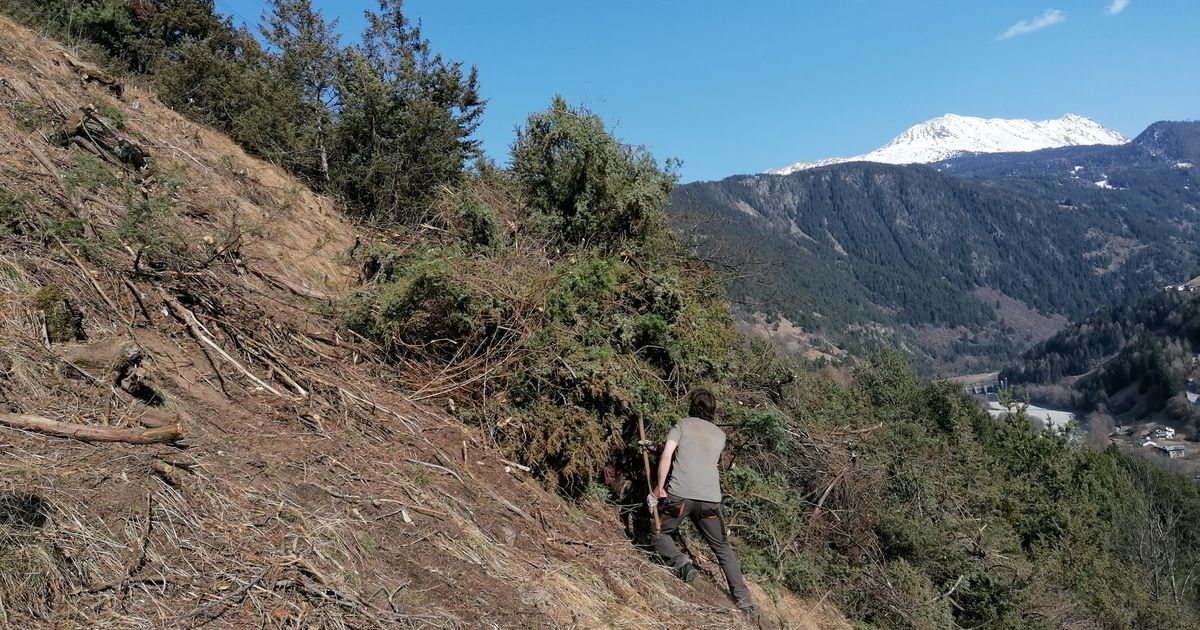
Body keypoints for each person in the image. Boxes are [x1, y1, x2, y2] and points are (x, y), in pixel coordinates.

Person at [652, 388, 754, 619]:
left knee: (659, 533)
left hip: (680, 496)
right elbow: (700, 457)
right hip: (710, 500)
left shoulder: (682, 425)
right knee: (722, 548)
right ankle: (745, 604)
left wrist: (659, 487)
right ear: (713, 410)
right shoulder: (720, 435)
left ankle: (682, 564)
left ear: (692, 406)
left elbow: (668, 454)